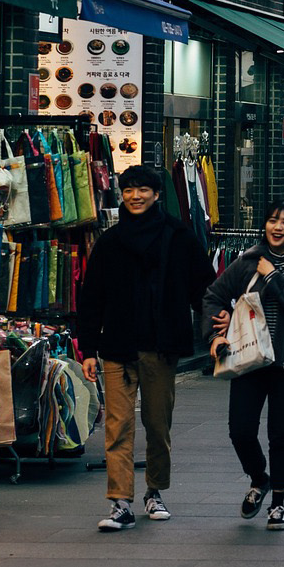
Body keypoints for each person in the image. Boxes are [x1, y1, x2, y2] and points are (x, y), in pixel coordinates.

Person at [76, 165, 212, 531]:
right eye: (128, 191)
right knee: (117, 426)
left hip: (160, 345)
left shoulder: (179, 237)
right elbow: (91, 298)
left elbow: (204, 286)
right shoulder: (111, 240)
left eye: (142, 190)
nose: (135, 197)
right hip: (116, 345)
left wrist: (217, 329)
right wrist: (88, 348)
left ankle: (154, 491)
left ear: (156, 194)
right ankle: (120, 501)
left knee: (157, 423)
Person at [203, 200, 284, 531]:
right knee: (240, 429)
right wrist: (215, 334)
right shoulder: (246, 261)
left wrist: (271, 276)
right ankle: (260, 478)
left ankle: (278, 503)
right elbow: (214, 295)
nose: (278, 227)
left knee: (280, 434)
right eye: (272, 220)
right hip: (247, 357)